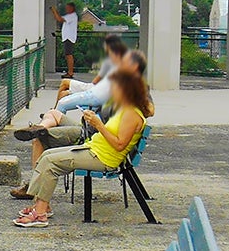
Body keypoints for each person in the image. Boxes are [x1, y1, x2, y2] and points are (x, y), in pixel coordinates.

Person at [13, 67, 153, 227]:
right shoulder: (126, 109)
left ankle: (40, 214)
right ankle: (40, 205)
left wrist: (98, 124)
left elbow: (120, 145)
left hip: (102, 157)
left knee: (50, 162)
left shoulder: (132, 114)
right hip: (94, 148)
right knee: (46, 156)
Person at [54, 34, 124, 102]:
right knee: (65, 88)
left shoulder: (109, 62)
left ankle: (55, 109)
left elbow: (95, 82)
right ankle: (57, 107)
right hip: (103, 90)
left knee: (64, 82)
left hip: (95, 90)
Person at [50, 0, 80, 78]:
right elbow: (60, 18)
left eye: (68, 8)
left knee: (69, 55)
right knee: (67, 55)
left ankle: (70, 72)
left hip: (69, 38)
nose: (66, 9)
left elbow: (59, 19)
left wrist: (54, 11)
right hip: (67, 37)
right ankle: (69, 72)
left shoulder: (72, 16)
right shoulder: (70, 16)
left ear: (72, 8)